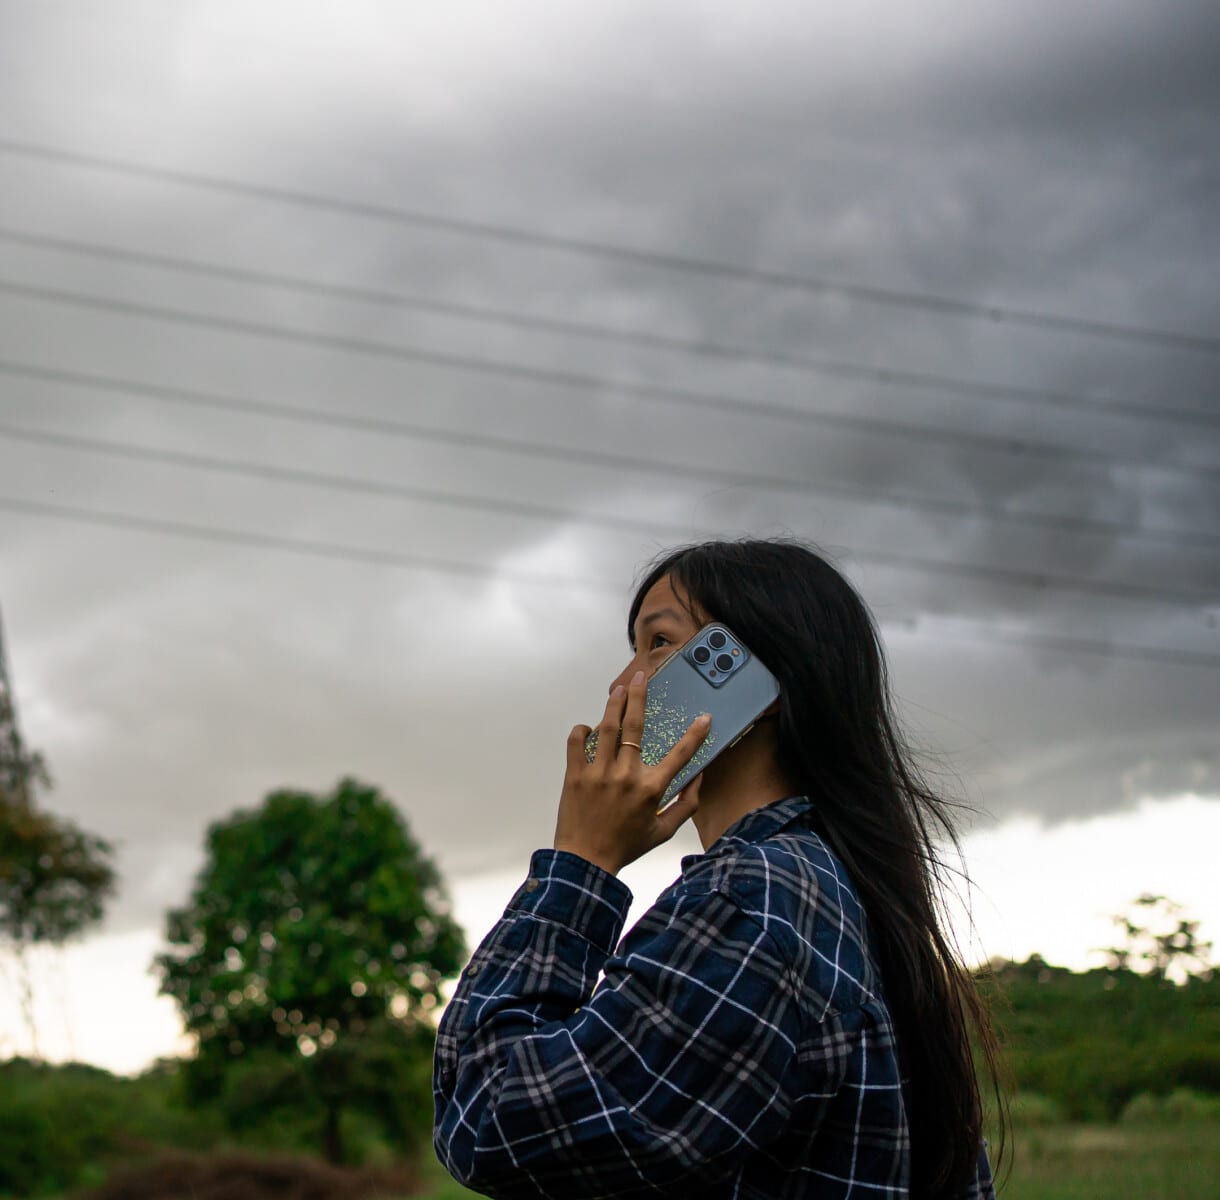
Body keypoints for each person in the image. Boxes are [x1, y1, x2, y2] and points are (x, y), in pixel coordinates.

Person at [433, 538, 1004, 1199]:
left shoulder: (753, 901)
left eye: (658, 645)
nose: (623, 685)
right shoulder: (850, 891)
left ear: (755, 687)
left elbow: (488, 1119)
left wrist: (580, 864)